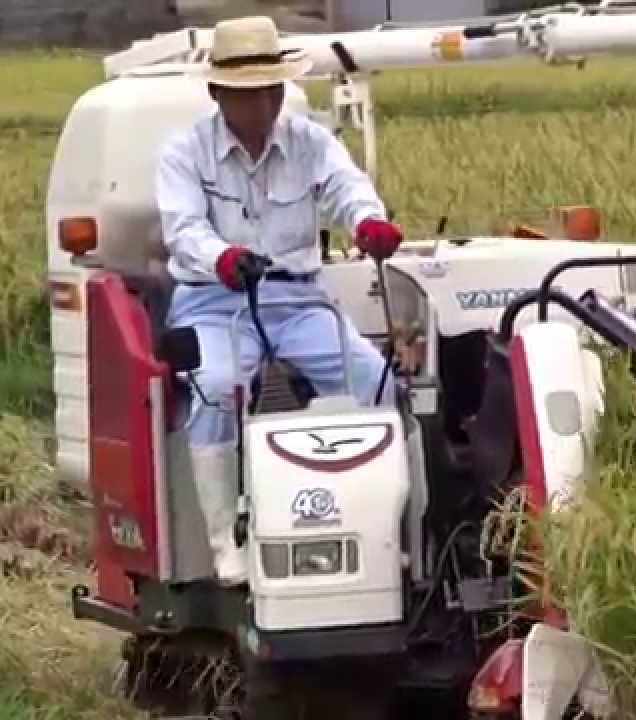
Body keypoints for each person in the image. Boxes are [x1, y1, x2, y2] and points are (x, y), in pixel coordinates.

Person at [155, 15, 403, 585]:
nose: (263, 104)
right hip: (213, 303)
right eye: (248, 94)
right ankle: (225, 544)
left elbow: (349, 189)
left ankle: (385, 527)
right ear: (219, 93)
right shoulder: (184, 152)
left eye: (271, 90)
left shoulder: (311, 141)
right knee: (214, 387)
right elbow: (183, 230)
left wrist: (369, 225)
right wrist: (222, 258)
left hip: (298, 304)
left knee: (378, 382)